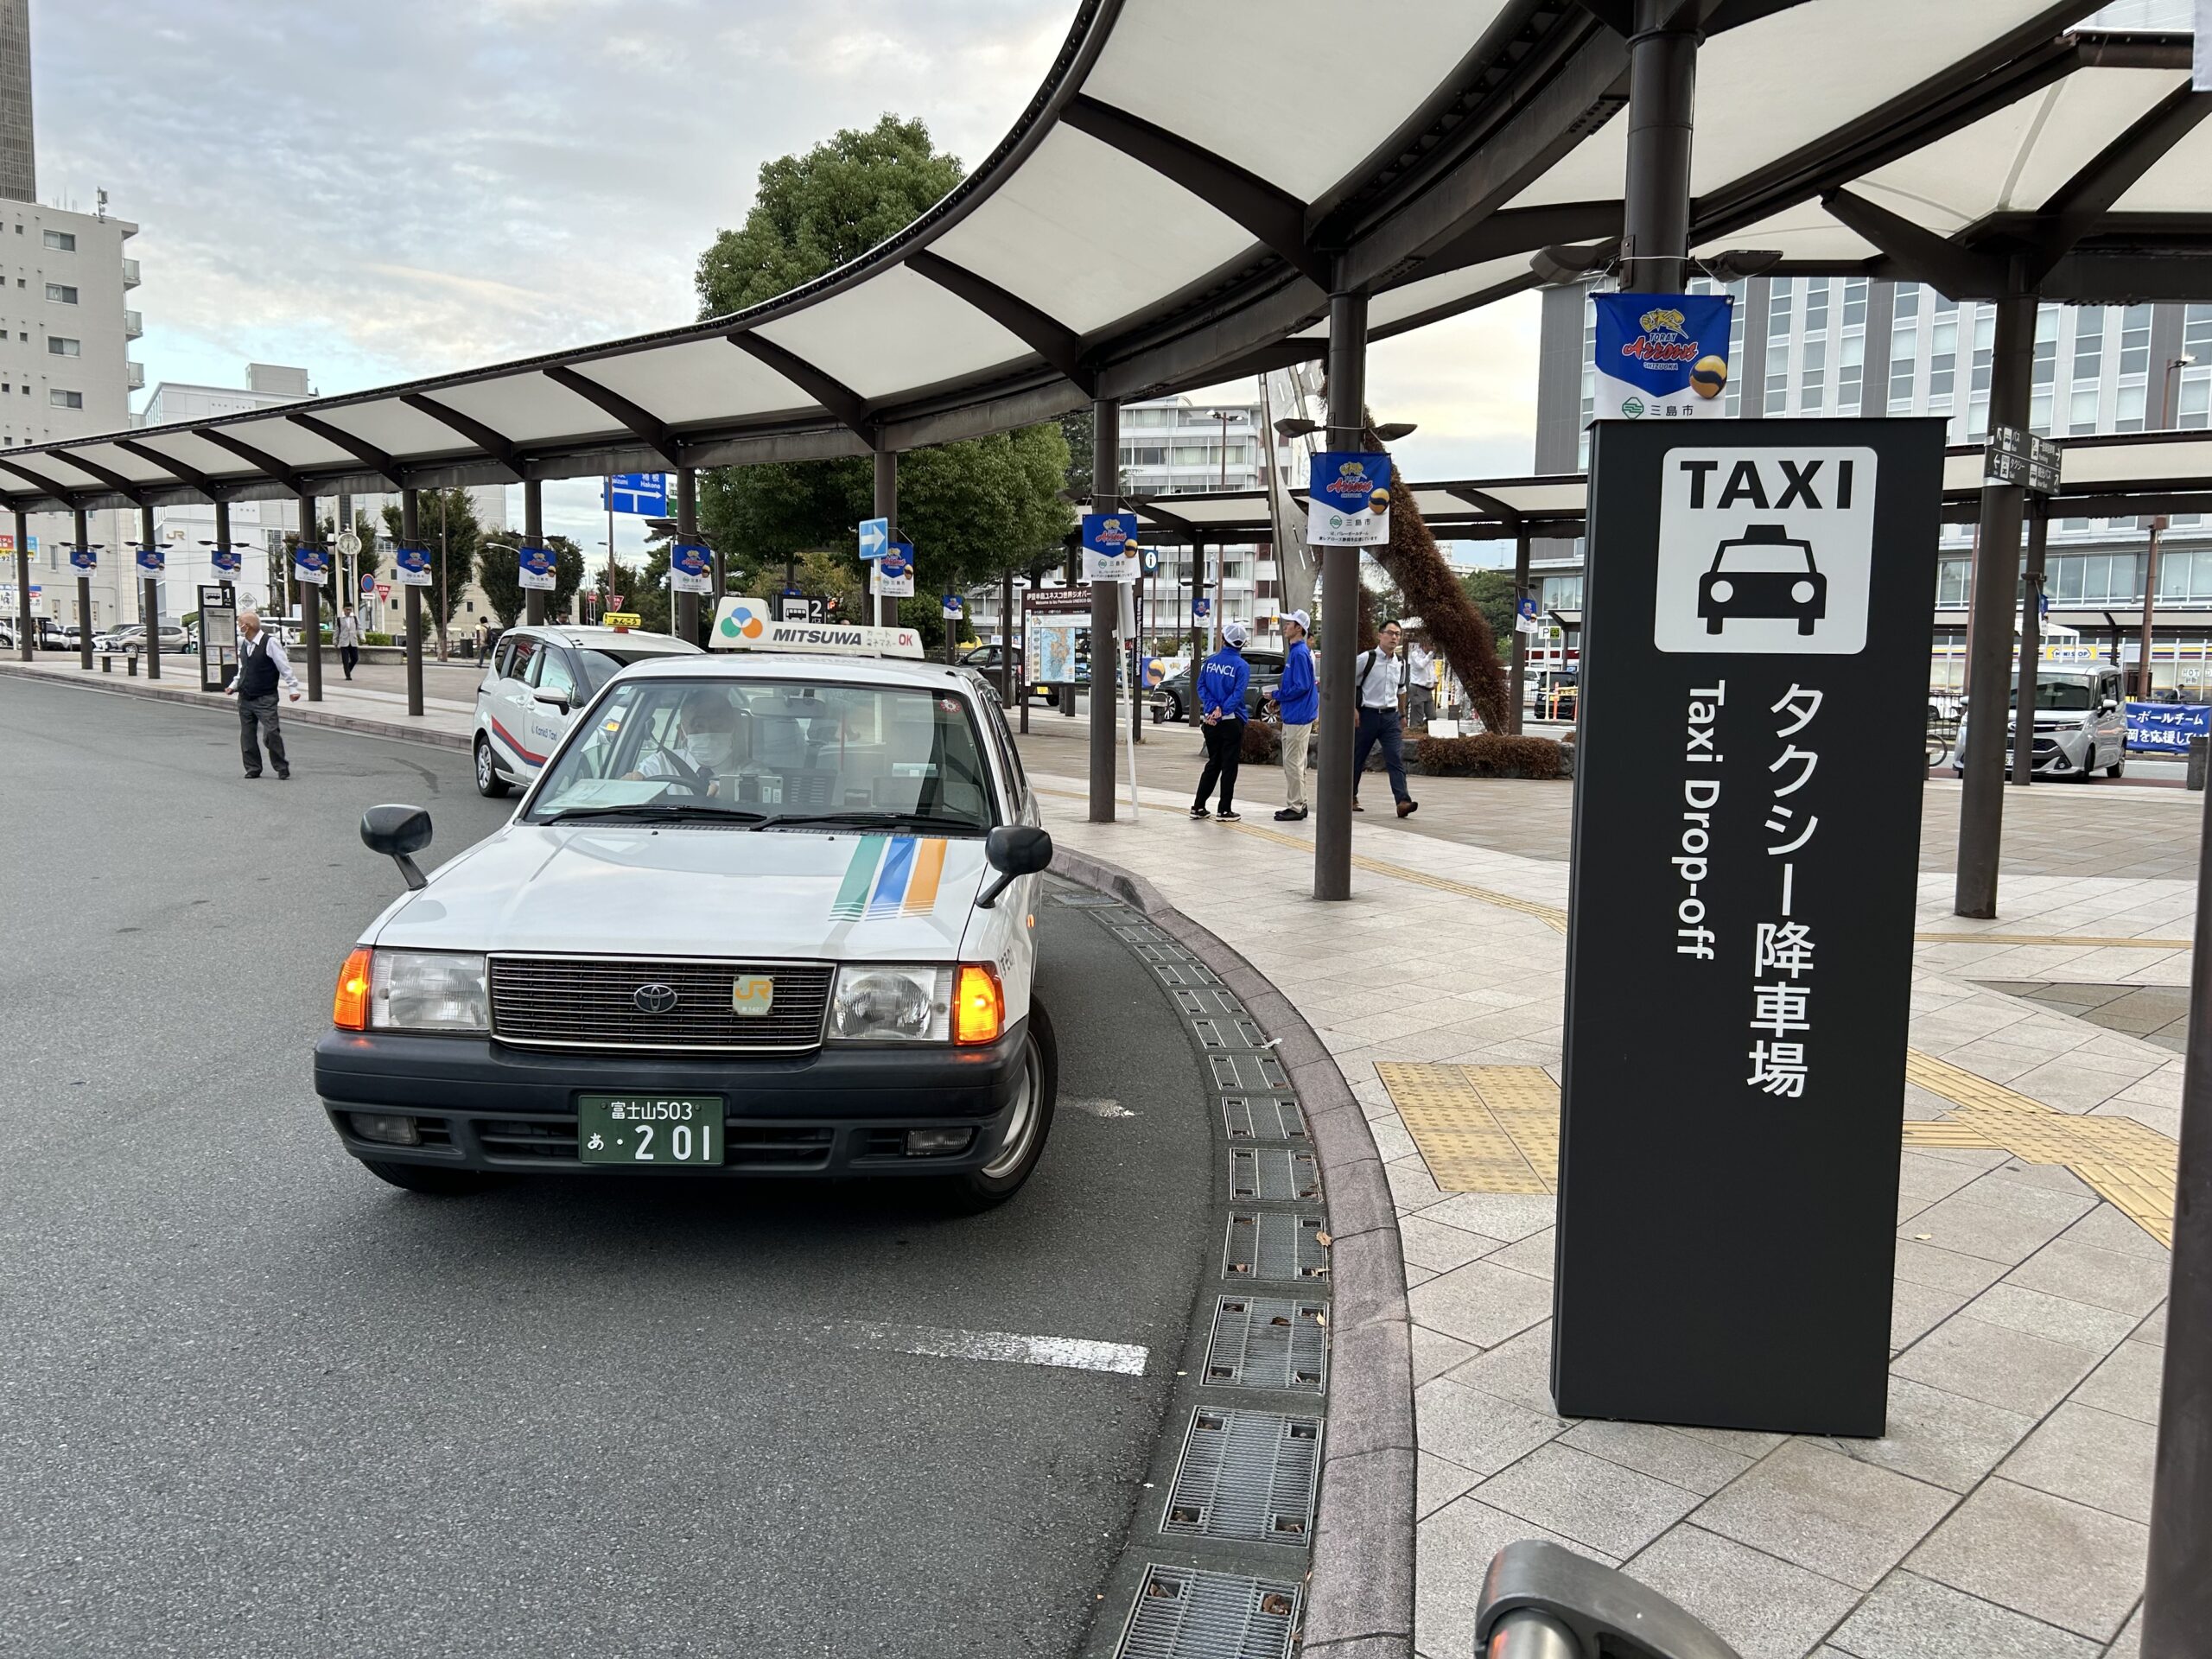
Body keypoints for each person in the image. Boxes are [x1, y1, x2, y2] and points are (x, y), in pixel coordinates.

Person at [1352, 619, 1418, 818]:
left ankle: (1402, 801)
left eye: (1397, 634)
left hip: (1390, 717)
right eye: (1390, 633)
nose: (1394, 637)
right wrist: (1353, 709)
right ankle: (1350, 795)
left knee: (1395, 758)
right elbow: (1348, 681)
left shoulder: (1400, 662)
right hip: (1367, 715)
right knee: (1357, 757)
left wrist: (1403, 714)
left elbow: (1401, 689)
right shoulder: (1367, 658)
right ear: (1380, 635)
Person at [226, 607, 302, 779]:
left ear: (248, 625)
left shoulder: (270, 642)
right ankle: (253, 768)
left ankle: (281, 766)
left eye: (240, 624)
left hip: (265, 697)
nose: (239, 627)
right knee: (247, 735)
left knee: (271, 733)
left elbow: (284, 666)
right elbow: (243, 669)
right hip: (245, 696)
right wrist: (233, 685)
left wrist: (293, 688)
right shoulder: (245, 644)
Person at [1190, 619, 1252, 822]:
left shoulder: (1210, 662)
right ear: (1241, 644)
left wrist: (1212, 707)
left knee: (1213, 762)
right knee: (1229, 765)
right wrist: (1223, 709)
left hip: (1210, 720)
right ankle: (1224, 809)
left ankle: (1198, 806)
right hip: (1232, 720)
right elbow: (1238, 693)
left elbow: (1201, 687)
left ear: (1223, 640)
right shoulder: (1241, 666)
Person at [1266, 609, 1317, 822]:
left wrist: (1277, 695)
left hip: (1298, 716)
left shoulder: (1299, 653)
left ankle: (1296, 806)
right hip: (1298, 714)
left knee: (1293, 762)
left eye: (1290, 623)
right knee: (1297, 762)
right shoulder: (1299, 652)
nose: (1285, 626)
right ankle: (1300, 802)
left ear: (1299, 628)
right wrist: (1280, 700)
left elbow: (1302, 686)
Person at [1406, 627, 1437, 728]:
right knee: (1417, 716)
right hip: (1417, 688)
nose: (1431, 647)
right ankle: (1415, 731)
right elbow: (1421, 665)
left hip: (1427, 689)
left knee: (1432, 716)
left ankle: (1424, 729)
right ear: (1424, 644)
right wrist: (1430, 655)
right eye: (1430, 645)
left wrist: (1435, 680)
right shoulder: (1415, 654)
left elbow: (1431, 669)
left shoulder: (1429, 657)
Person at [336, 606, 362, 681]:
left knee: (355, 658)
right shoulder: (340, 619)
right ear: (343, 609)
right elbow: (337, 631)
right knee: (345, 660)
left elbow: (359, 628)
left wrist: (362, 637)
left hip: (353, 641)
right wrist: (335, 641)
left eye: (350, 610)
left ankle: (347, 669)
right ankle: (348, 675)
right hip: (344, 642)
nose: (348, 611)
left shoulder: (355, 618)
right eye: (347, 609)